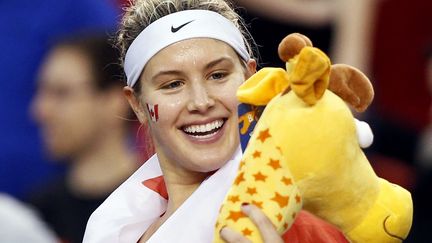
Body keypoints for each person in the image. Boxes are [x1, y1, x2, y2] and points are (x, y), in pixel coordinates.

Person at [84, 0, 348, 242]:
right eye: (173, 84)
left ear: (250, 79)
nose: (201, 102)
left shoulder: (298, 216)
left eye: (218, 75)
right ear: (138, 106)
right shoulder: (110, 228)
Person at [27, 33, 139, 243]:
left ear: (115, 101)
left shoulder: (159, 205)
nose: (40, 110)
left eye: (61, 93)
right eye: (42, 93)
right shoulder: (36, 215)